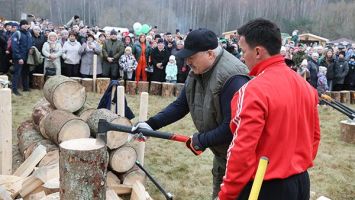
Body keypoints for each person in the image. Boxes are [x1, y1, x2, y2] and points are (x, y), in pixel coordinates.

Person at [132, 28, 249, 199]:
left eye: (191, 57)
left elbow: (233, 127)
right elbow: (181, 105)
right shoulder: (197, 71)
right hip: (223, 157)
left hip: (241, 162)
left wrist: (201, 140)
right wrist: (151, 124)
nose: (187, 62)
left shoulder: (233, 78)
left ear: (210, 54)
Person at [218, 18, 320, 200]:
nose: (242, 57)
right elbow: (314, 137)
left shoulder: (252, 91)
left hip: (263, 185)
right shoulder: (305, 86)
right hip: (300, 182)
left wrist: (227, 195)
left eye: (243, 51)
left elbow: (241, 151)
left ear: (257, 51)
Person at [11, 20, 33, 96]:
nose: (25, 25)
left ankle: (26, 88)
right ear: (20, 25)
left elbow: (31, 43)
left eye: (26, 24)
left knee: (26, 73)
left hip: (27, 57)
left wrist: (31, 48)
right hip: (19, 57)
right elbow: (14, 47)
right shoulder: (17, 33)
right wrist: (19, 57)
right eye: (23, 24)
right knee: (17, 73)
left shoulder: (29, 34)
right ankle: (14, 89)